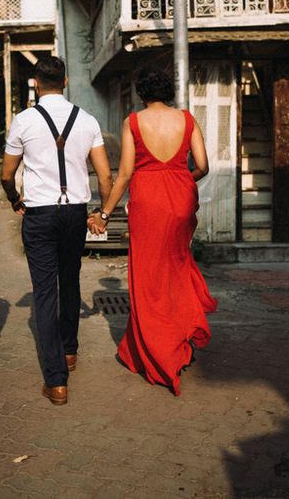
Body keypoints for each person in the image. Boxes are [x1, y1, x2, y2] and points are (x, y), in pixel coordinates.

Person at [90, 66, 217, 395]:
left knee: (148, 277)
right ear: (169, 90)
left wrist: (104, 212)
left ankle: (156, 353)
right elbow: (202, 165)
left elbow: (125, 175)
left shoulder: (134, 122)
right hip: (180, 197)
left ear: (141, 93)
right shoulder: (187, 119)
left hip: (148, 200)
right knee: (176, 267)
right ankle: (179, 340)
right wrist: (180, 180)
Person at [1, 56, 112, 406]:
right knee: (71, 280)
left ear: (36, 83)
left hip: (41, 213)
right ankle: (70, 353)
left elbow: (6, 174)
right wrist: (102, 214)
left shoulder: (24, 121)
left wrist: (15, 198)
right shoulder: (88, 120)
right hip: (75, 213)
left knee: (45, 294)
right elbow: (105, 176)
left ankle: (56, 381)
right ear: (65, 81)